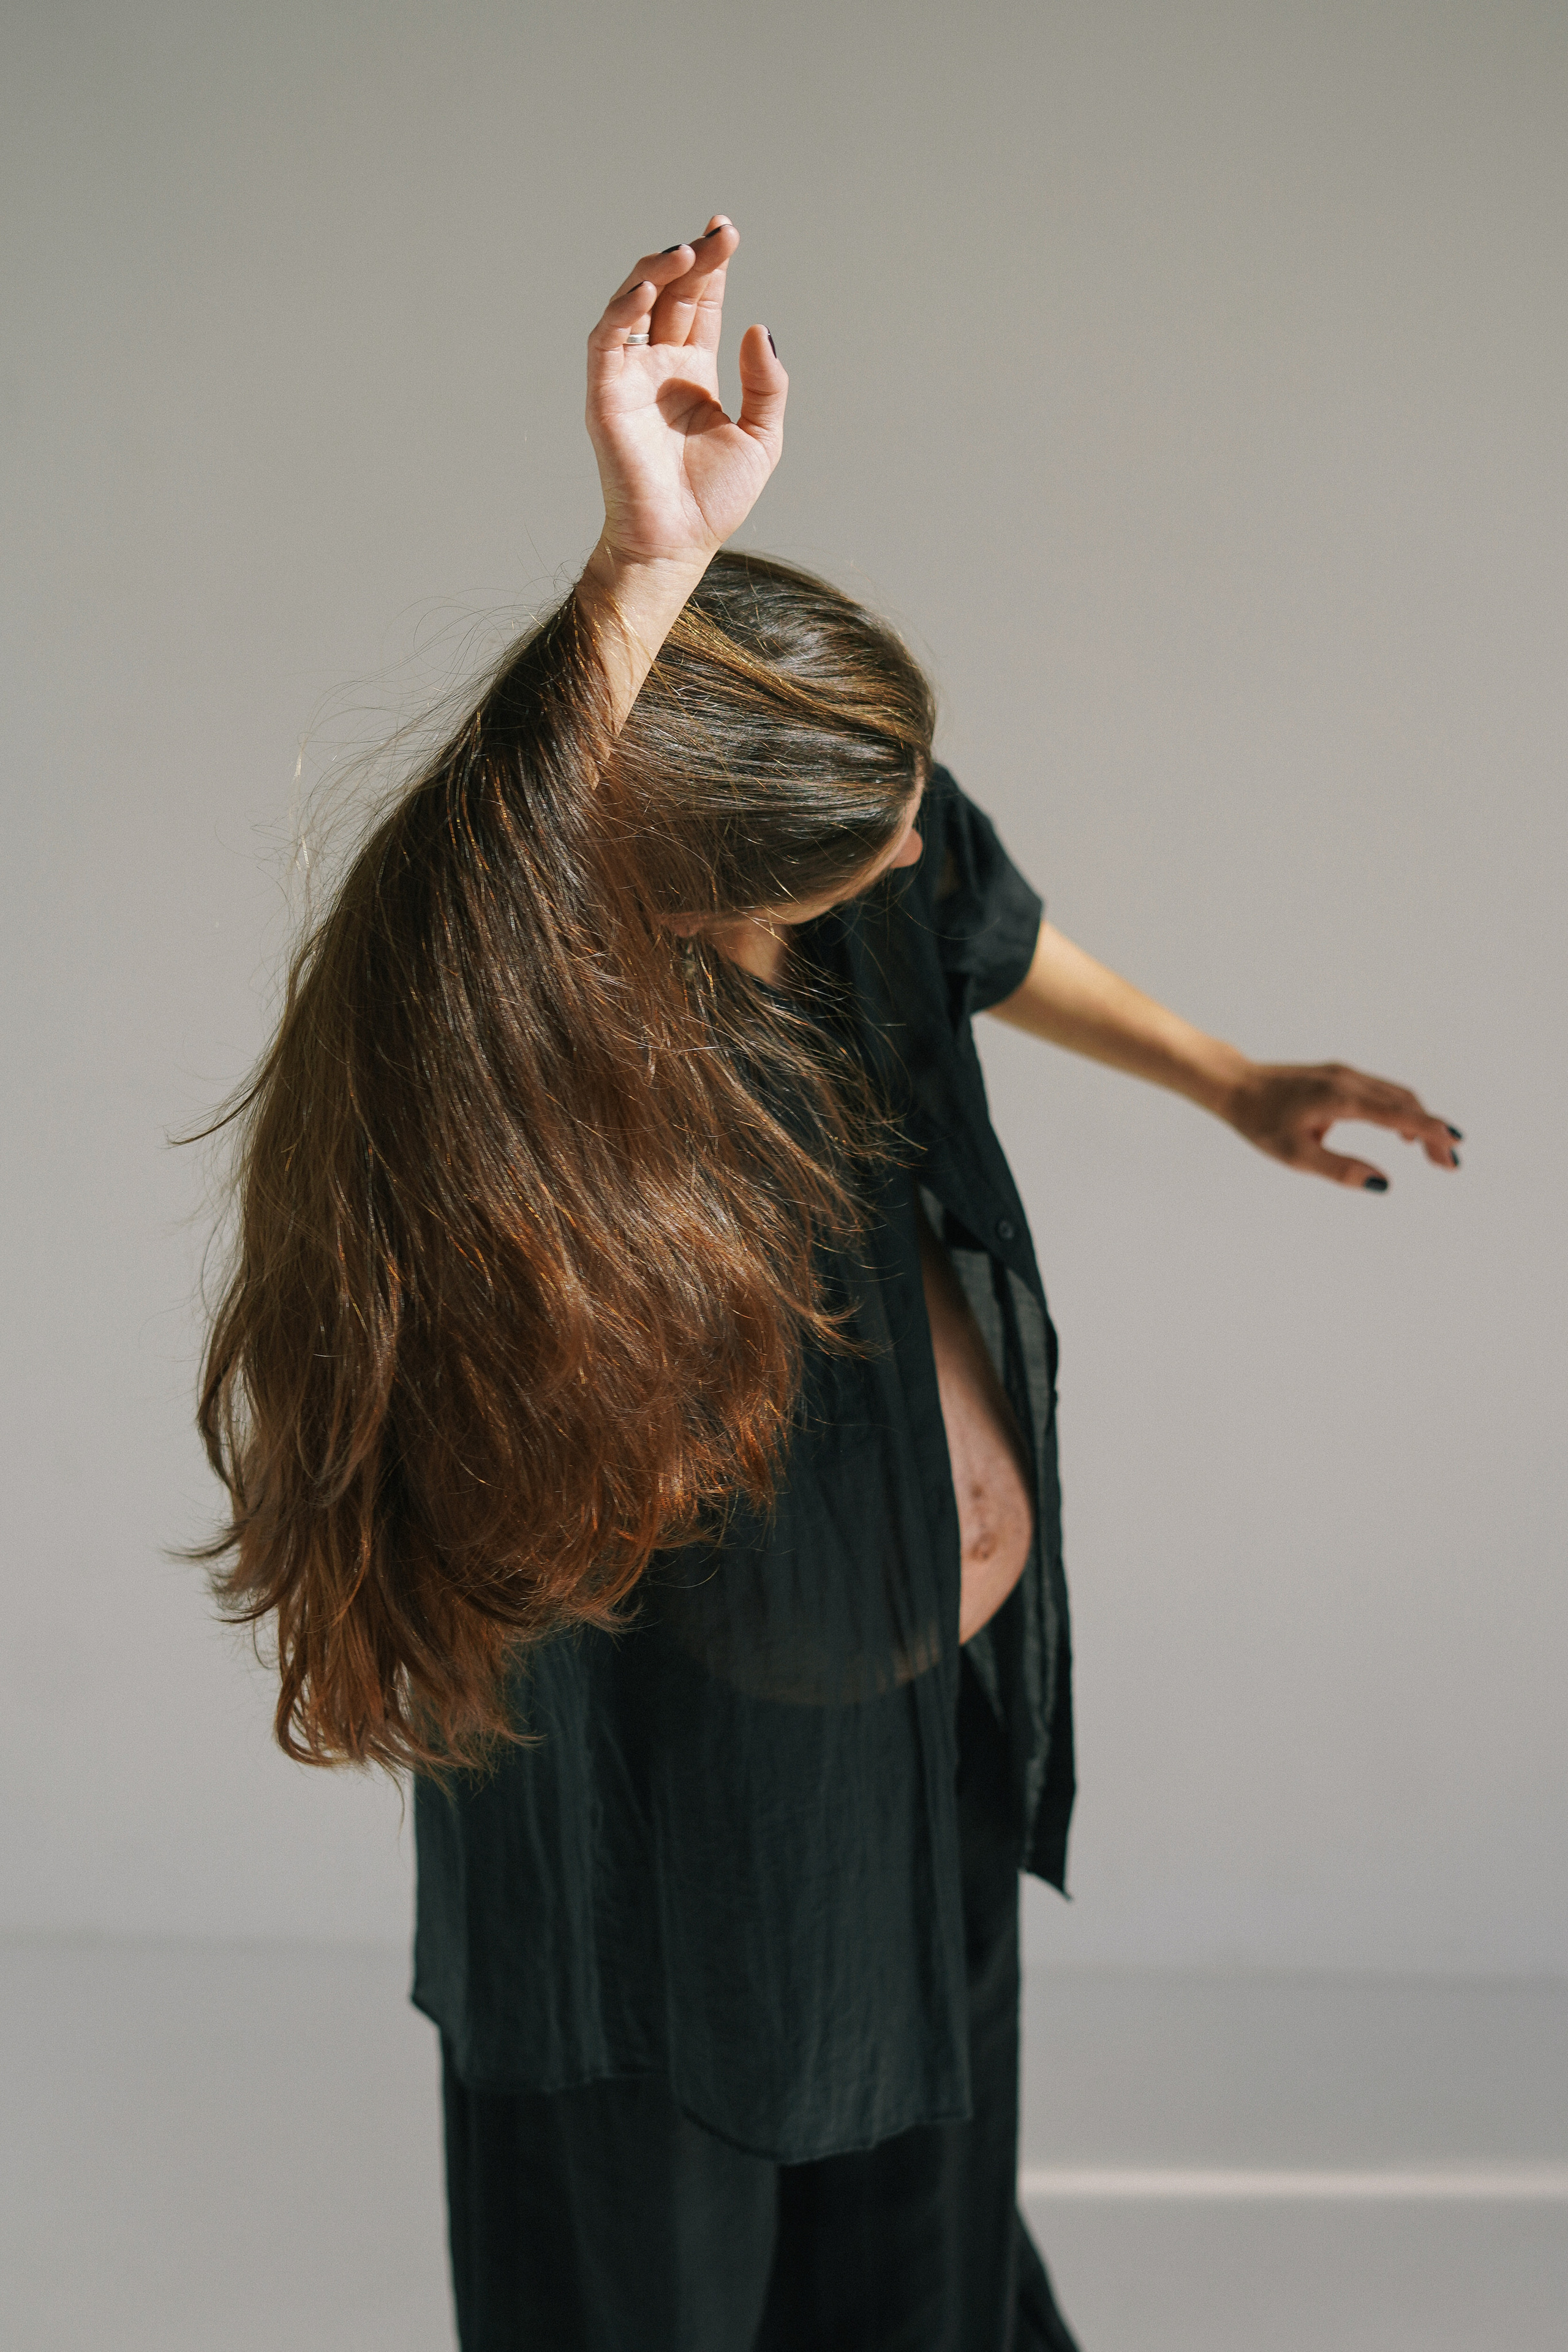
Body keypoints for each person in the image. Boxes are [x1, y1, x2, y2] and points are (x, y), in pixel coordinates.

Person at [192, 218, 1461, 2351]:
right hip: (665, 1811)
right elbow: (489, 913)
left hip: (916, 1752)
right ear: (679, 885)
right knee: (651, 2284)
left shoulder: (867, 876)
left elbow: (983, 905)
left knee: (918, 2276)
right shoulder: (537, 1054)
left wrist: (1228, 1077)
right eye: (865, 830)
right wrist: (624, 574)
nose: (908, 845)